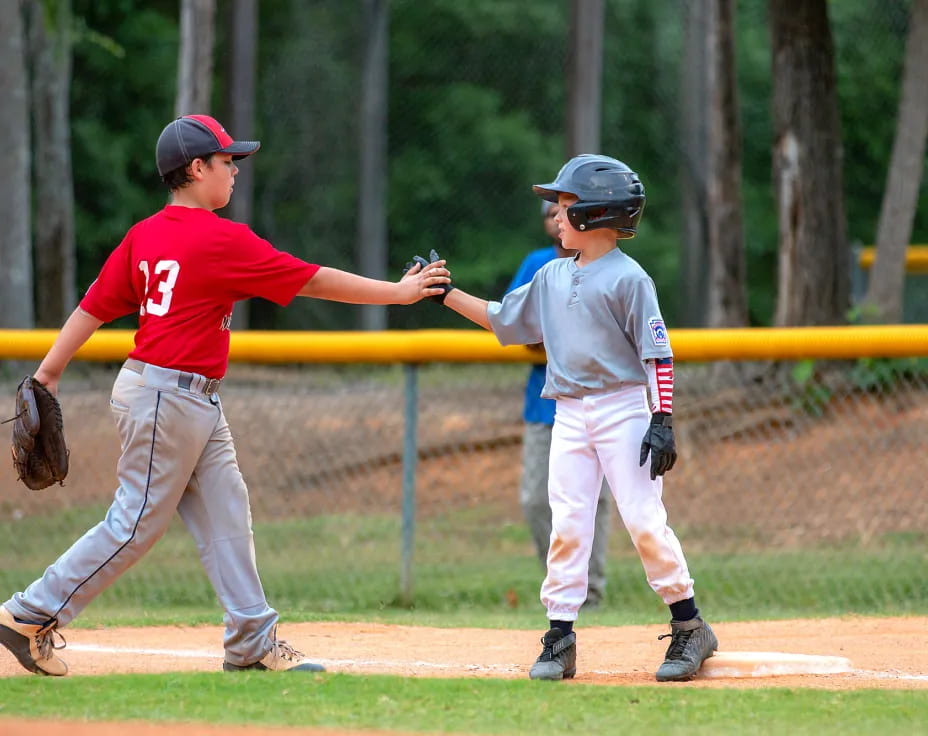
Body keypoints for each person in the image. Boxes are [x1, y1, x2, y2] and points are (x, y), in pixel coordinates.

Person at [0, 114, 450, 677]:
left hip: (183, 398)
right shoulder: (219, 237)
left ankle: (250, 641)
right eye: (226, 161)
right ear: (196, 168)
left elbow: (94, 305)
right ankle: (28, 614)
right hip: (167, 397)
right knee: (135, 525)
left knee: (226, 509)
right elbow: (309, 278)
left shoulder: (146, 234)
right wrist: (401, 293)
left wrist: (48, 373)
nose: (234, 170)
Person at [430, 154, 717, 682]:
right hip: (568, 412)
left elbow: (658, 354)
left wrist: (663, 418)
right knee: (567, 523)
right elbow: (502, 318)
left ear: (594, 213)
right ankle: (560, 636)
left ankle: (689, 626)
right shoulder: (551, 275)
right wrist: (445, 294)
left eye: (563, 207)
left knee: (643, 520)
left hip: (624, 408)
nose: (556, 217)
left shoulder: (630, 279)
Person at [509, 201, 611, 609]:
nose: (556, 217)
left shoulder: (608, 265)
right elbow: (518, 324)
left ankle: (591, 592)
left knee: (594, 500)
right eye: (550, 211)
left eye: (564, 209)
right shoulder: (538, 264)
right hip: (545, 404)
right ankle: (561, 582)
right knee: (536, 499)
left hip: (597, 400)